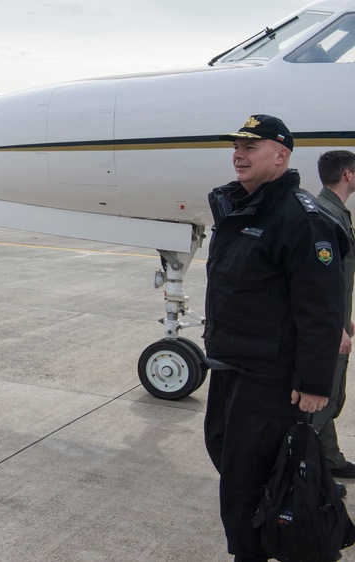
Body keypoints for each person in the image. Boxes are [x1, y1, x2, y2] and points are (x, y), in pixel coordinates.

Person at [203, 114, 349, 562]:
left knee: (246, 484)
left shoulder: (301, 218)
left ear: (281, 156)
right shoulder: (242, 207)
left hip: (271, 378)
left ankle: (257, 553)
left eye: (252, 147)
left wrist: (313, 383)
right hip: (230, 369)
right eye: (237, 147)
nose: (239, 155)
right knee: (228, 458)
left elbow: (321, 309)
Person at [314, 150, 355, 485]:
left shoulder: (335, 211)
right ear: (348, 176)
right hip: (326, 329)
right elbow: (319, 281)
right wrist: (335, 328)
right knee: (321, 400)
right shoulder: (326, 215)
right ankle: (307, 474)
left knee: (332, 397)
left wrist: (345, 319)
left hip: (335, 321)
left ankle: (329, 458)